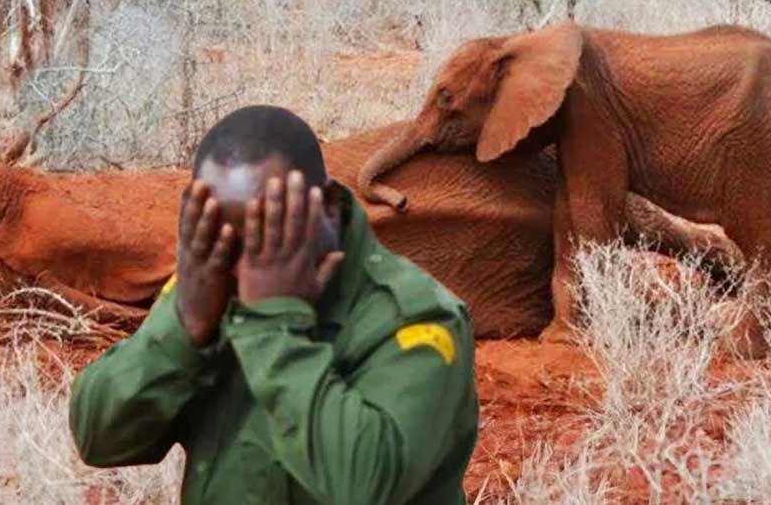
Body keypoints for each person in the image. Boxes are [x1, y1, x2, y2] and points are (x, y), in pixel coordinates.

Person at [68, 105, 479, 504]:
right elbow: (98, 437)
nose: (250, 261)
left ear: (329, 207)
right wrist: (184, 326)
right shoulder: (214, 283)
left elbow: (366, 486)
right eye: (229, 238)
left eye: (273, 229)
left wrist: (272, 325)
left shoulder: (415, 319)